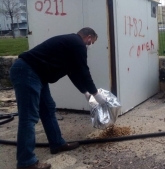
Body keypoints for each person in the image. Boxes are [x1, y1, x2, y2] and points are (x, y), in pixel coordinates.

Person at [10, 27, 107, 169]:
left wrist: (85, 91)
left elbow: (73, 72)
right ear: (89, 37)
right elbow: (84, 71)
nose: (90, 45)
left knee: (48, 109)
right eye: (91, 42)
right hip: (27, 71)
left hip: (37, 74)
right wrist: (95, 93)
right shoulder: (78, 44)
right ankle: (26, 162)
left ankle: (57, 144)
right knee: (29, 117)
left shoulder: (71, 44)